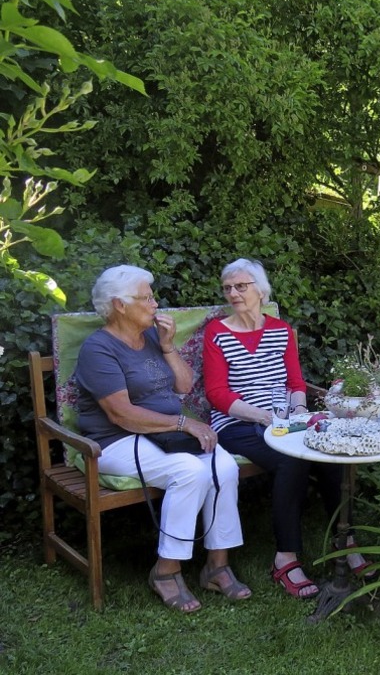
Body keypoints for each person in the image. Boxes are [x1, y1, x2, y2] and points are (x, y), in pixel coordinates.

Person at [74, 265, 250, 613]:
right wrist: (183, 423)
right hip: (114, 441)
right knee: (189, 470)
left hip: (164, 434)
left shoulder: (152, 339)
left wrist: (169, 347)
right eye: (147, 297)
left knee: (224, 465)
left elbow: (184, 386)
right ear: (119, 305)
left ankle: (217, 565)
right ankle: (166, 571)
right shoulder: (98, 349)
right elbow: (121, 414)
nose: (155, 304)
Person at [203, 258, 345, 599]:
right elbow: (217, 394)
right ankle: (285, 558)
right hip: (236, 422)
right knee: (291, 460)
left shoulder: (280, 330)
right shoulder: (217, 332)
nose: (233, 293)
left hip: (283, 418)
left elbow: (296, 382)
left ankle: (346, 541)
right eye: (228, 288)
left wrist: (297, 410)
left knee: (330, 452)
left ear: (260, 290)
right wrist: (264, 417)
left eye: (241, 286)